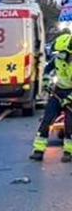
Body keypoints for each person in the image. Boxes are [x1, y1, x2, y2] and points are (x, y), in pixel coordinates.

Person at [31, 30, 72, 160]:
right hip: (58, 91)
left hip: (70, 94)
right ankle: (38, 150)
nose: (59, 56)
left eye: (61, 53)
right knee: (47, 120)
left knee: (69, 124)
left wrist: (68, 99)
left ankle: (68, 151)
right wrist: (47, 83)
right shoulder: (57, 60)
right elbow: (47, 72)